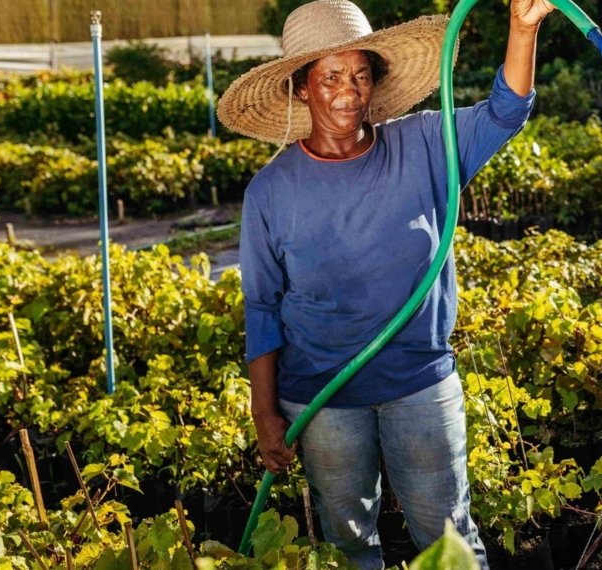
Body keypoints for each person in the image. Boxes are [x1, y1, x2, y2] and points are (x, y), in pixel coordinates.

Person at [217, 0, 555, 568]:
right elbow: (262, 307)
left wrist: (521, 30)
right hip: (324, 399)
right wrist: (264, 411)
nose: (349, 90)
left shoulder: (424, 145)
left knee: (448, 537)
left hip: (419, 385)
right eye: (330, 76)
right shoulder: (271, 192)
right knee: (349, 544)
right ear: (302, 88)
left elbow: (505, 111)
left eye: (359, 73)